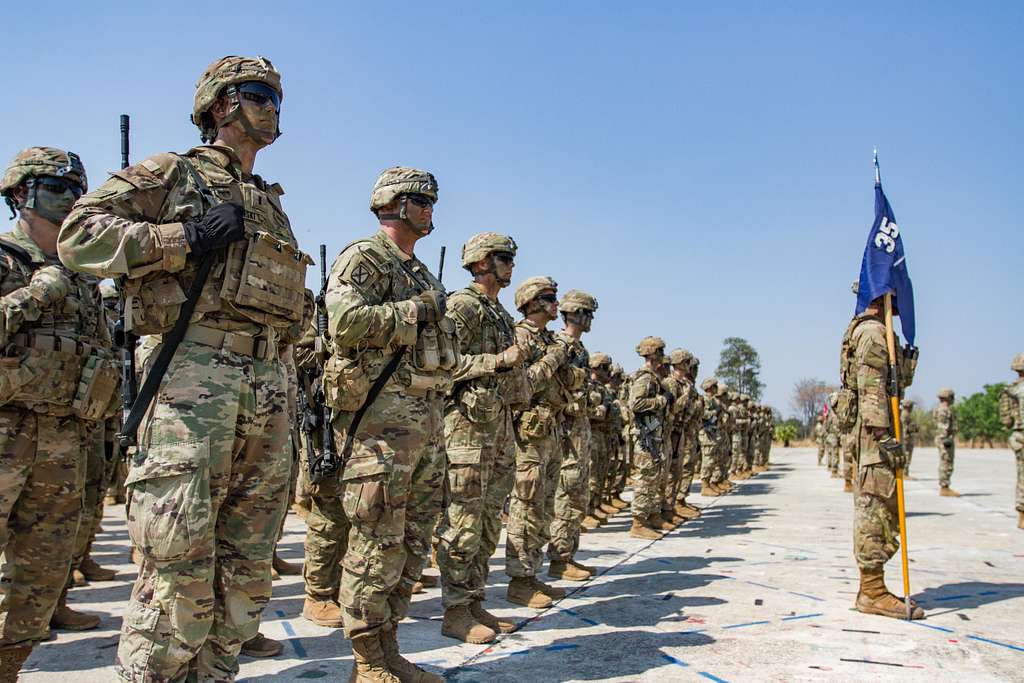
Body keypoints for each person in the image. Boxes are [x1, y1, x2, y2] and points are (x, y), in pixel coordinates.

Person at [60, 55, 305, 678]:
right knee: (178, 567)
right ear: (222, 105)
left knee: (247, 569)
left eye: (278, 97)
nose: (272, 107)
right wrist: (183, 238)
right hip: (190, 380)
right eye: (258, 94)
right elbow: (80, 236)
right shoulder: (174, 173)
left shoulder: (269, 203)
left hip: (267, 390)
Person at [323, 166, 451, 682]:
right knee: (376, 545)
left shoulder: (422, 272)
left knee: (413, 542)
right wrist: (416, 310)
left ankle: (389, 646)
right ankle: (368, 660)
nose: (430, 210)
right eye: (422, 200)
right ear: (394, 203)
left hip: (425, 426)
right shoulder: (366, 258)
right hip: (379, 430)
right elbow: (346, 323)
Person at [0, 146, 109, 679]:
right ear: (21, 194)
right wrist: (37, 294)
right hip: (6, 430)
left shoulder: (82, 276)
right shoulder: (7, 260)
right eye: (57, 188)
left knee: (42, 572)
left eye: (77, 191)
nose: (70, 200)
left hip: (65, 437)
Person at [436, 232, 524, 644]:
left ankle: (473, 599)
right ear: (481, 263)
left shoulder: (499, 314)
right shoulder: (463, 306)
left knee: (489, 522)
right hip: (466, 431)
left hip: (498, 430)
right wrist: (497, 361)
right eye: (504, 258)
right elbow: (440, 364)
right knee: (463, 523)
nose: (511, 265)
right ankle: (455, 611)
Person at [839, 290, 922, 619]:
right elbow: (873, 387)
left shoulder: (875, 330)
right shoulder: (873, 332)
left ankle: (871, 587)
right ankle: (872, 591)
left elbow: (893, 384)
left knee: (880, 506)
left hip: (876, 434)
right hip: (876, 437)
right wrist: (884, 436)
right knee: (875, 508)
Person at [504, 276, 578, 609]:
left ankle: (532, 575)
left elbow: (568, 379)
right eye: (549, 297)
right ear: (532, 301)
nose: (555, 303)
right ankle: (519, 581)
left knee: (544, 505)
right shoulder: (520, 336)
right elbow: (524, 383)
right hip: (529, 435)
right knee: (526, 505)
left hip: (551, 429)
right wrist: (553, 358)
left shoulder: (549, 339)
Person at [548, 290, 599, 581]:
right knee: (565, 494)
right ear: (573, 313)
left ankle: (568, 555)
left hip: (579, 431)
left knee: (577, 494)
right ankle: (559, 558)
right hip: (563, 432)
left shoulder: (580, 350)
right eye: (586, 313)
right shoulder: (560, 345)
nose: (590, 319)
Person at [628, 336, 673, 538]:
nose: (663, 356)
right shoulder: (645, 377)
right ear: (653, 353)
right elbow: (635, 404)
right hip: (645, 436)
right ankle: (638, 523)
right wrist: (661, 401)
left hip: (654, 434)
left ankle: (651, 515)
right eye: (661, 352)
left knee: (654, 477)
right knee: (645, 479)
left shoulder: (654, 378)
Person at [998, 354, 1024, 529]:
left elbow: (1005, 421)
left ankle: (1021, 514)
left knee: (1022, 475)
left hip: (1018, 436)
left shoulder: (1009, 391)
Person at [934, 388, 959, 496]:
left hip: (944, 438)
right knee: (946, 462)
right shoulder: (943, 410)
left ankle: (945, 485)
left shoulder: (942, 408)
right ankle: (944, 487)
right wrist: (945, 439)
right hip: (945, 439)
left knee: (946, 461)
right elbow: (942, 426)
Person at [899, 399, 917, 478]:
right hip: (906, 438)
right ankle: (905, 472)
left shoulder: (907, 414)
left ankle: (906, 472)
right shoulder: (905, 414)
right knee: (906, 454)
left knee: (908, 454)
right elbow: (904, 427)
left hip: (908, 437)